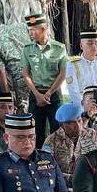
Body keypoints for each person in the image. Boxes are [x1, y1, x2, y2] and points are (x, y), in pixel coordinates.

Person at [21, 13, 67, 146]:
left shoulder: (59, 48)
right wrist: (37, 95)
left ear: (44, 29)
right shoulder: (27, 49)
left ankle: (56, 160)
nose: (31, 33)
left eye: (34, 30)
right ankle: (37, 160)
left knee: (57, 131)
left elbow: (63, 73)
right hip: (35, 95)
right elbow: (26, 73)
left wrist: (48, 93)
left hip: (54, 95)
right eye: (30, 30)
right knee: (35, 132)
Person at [41, 102, 97, 182]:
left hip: (91, 183)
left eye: (79, 121)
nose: (78, 126)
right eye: (72, 123)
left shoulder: (92, 135)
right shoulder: (51, 140)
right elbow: (45, 169)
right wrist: (72, 178)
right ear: (61, 125)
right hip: (63, 186)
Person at [65, 28, 97, 109]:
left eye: (96, 43)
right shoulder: (73, 65)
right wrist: (83, 104)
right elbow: (73, 91)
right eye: (89, 43)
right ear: (81, 46)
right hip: (80, 107)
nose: (94, 46)